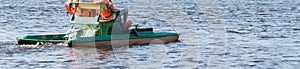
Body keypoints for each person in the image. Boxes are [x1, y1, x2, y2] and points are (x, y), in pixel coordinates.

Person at [64, 0, 131, 30]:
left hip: (82, 16)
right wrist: (116, 10)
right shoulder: (104, 1)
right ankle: (123, 27)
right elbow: (113, 10)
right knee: (126, 10)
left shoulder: (71, 2)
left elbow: (67, 6)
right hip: (107, 17)